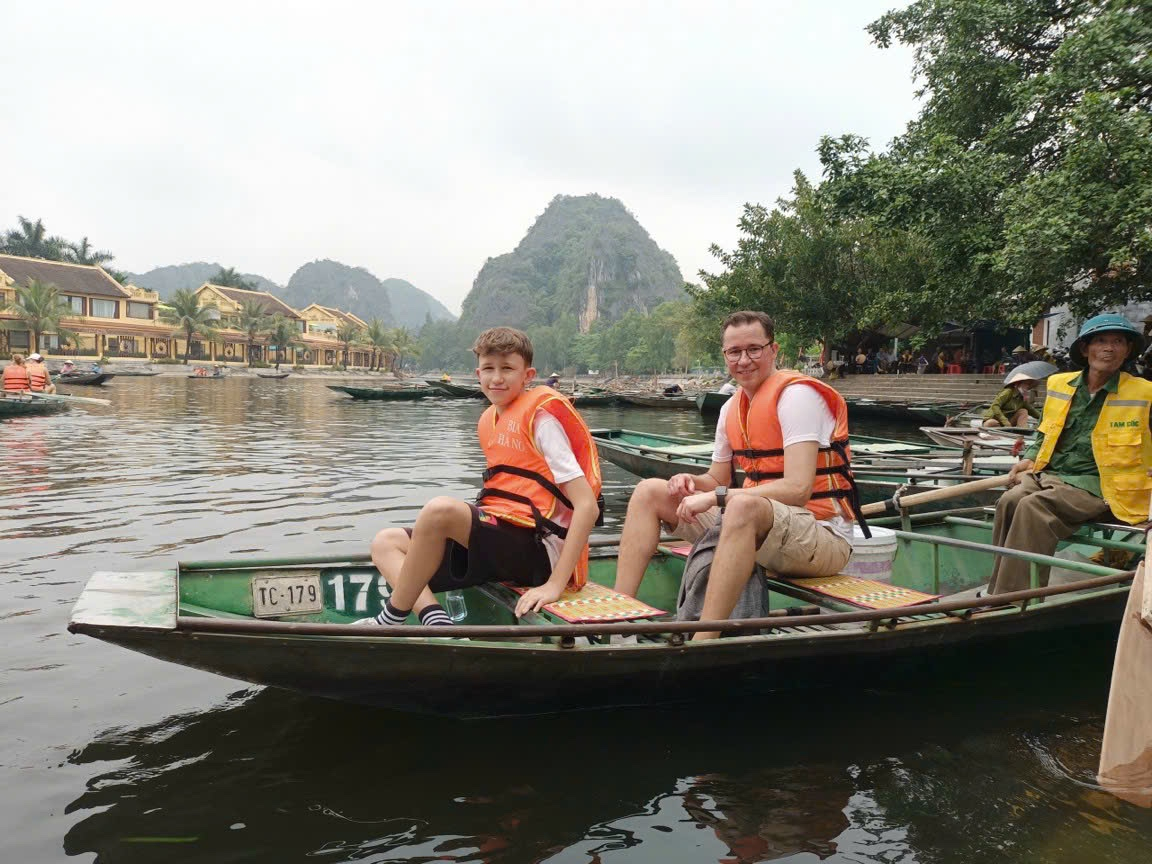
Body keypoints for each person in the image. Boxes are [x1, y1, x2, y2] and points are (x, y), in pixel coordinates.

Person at [612, 310, 866, 639]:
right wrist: (689, 482)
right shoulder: (731, 407)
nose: (744, 360)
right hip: (760, 529)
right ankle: (618, 620)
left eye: (754, 349)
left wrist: (717, 497)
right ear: (725, 356)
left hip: (821, 538)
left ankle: (704, 640)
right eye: (734, 352)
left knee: (741, 506)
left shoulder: (797, 397)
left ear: (774, 351)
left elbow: (799, 489)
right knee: (650, 491)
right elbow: (717, 479)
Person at [359, 327, 602, 626]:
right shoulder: (489, 419)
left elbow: (587, 506)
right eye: (489, 368)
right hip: (504, 539)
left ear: (528, 375)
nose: (496, 378)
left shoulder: (541, 420)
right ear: (478, 374)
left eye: (507, 369)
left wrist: (553, 585)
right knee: (385, 542)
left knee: (441, 511)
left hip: (540, 551)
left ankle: (390, 619)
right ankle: (435, 620)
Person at [989, 314, 1152, 595]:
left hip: (1103, 486)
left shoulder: (1145, 392)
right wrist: (1029, 457)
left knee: (1033, 508)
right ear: (1085, 349)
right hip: (1053, 474)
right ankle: (1000, 586)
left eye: (1118, 342)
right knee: (1010, 500)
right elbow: (1044, 433)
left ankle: (1015, 598)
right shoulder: (1060, 385)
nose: (1109, 348)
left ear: (1127, 351)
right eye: (1101, 341)